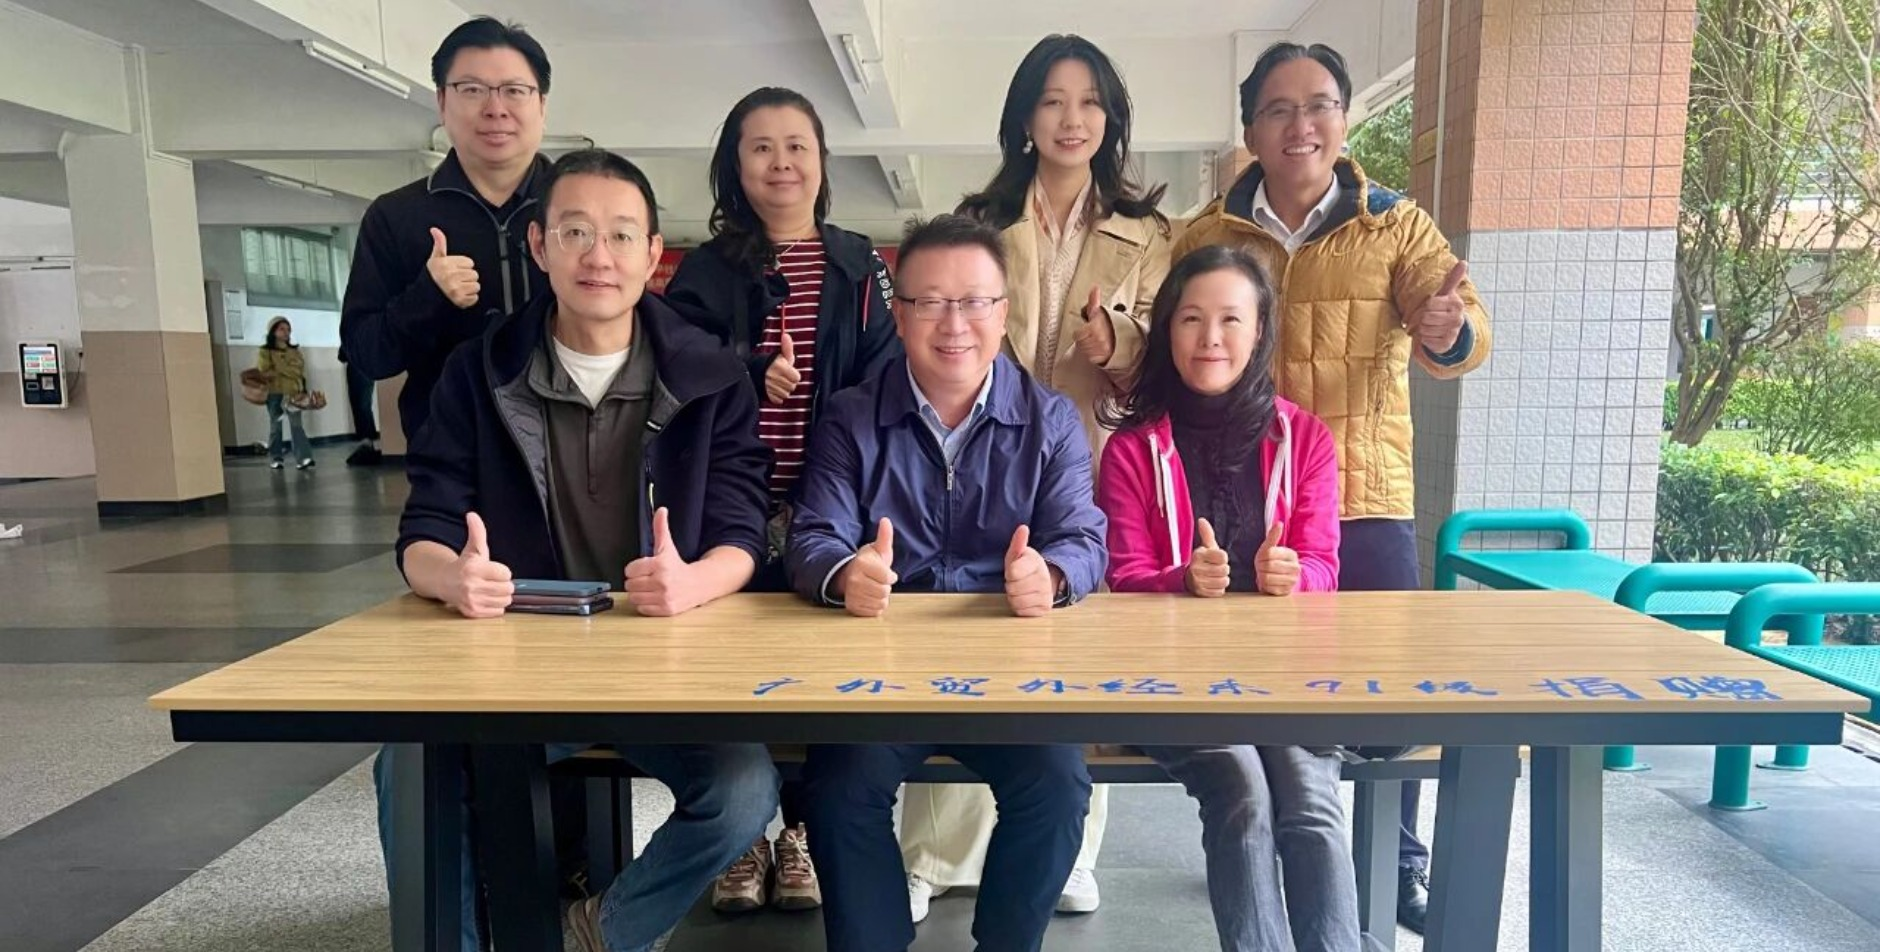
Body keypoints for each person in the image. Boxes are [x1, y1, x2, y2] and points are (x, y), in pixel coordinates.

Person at [394, 150, 779, 952]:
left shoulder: (712, 377)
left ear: (653, 252)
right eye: (575, 232)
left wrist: (693, 582)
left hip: (668, 667)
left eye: (621, 234)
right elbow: (423, 528)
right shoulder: (478, 372)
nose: (598, 255)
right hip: (524, 666)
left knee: (743, 791)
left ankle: (594, 934)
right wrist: (452, 578)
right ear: (539, 246)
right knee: (411, 767)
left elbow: (743, 529)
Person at [1173, 42, 1493, 935]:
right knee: (1258, 693)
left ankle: (1399, 862)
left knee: (1382, 710)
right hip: (1243, 496)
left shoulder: (1395, 226)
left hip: (1363, 491)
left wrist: (1447, 328)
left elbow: (1464, 330)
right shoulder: (1207, 236)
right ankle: (1272, 838)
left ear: (1345, 120)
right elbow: (1173, 340)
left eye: (1319, 105)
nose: (1300, 125)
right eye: (1278, 109)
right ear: (1251, 131)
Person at [902, 32, 1174, 917]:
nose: (1072, 118)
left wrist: (1116, 342)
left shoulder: (1146, 233)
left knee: (1069, 650)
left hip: (1086, 456)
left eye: (1090, 101)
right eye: (1053, 100)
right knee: (956, 637)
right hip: (976, 449)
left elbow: (1163, 356)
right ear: (1024, 117)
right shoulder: (981, 219)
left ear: (1111, 118)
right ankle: (933, 854)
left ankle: (1071, 852)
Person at [787, 214, 1104, 952]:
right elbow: (812, 538)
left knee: (1058, 786)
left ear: (1004, 311)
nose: (954, 324)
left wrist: (1052, 575)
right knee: (838, 789)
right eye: (930, 302)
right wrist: (847, 573)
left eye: (975, 302)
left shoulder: (1050, 420)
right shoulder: (851, 417)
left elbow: (1085, 539)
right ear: (899, 316)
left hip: (1010, 669)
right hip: (884, 671)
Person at [664, 85, 901, 915]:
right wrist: (746, 368)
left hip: (826, 503)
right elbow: (673, 362)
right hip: (728, 503)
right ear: (735, 164)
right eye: (760, 147)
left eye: (796, 145)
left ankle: (797, 829)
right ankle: (744, 835)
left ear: (822, 161)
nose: (781, 163)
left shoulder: (858, 263)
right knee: (731, 670)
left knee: (816, 673)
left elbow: (885, 375)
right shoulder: (705, 269)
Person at [1097, 245, 1355, 952]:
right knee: (1242, 791)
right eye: (1191, 319)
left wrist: (1293, 575)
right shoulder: (1131, 450)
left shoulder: (1306, 439)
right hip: (1168, 681)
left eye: (1231, 319)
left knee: (1310, 802)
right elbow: (1124, 576)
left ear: (1260, 330)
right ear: (1166, 330)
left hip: (1286, 678)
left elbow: (1325, 566)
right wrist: (1180, 580)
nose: (1210, 337)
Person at [341, 16, 553, 442]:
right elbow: (366, 355)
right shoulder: (396, 216)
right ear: (441, 101)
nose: (495, 108)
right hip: (452, 454)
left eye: (515, 90)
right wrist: (428, 297)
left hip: (576, 452)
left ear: (541, 105)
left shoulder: (584, 210)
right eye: (472, 89)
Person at [256, 317, 315, 471]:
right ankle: (276, 457)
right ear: (273, 331)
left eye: (288, 329)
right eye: (281, 329)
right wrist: (287, 368)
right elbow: (264, 370)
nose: (286, 332)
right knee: (276, 426)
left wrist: (279, 367)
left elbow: (299, 370)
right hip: (275, 393)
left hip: (294, 393)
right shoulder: (265, 351)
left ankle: (303, 458)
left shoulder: (294, 351)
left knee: (297, 426)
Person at [337, 344, 382, 465]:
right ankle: (367, 441)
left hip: (359, 367)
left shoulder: (352, 336)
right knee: (362, 404)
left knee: (361, 405)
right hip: (364, 367)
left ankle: (367, 442)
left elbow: (342, 356)